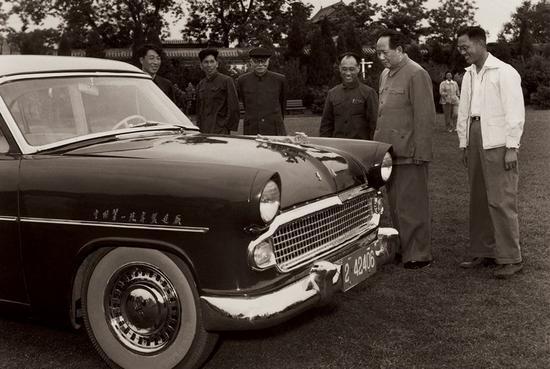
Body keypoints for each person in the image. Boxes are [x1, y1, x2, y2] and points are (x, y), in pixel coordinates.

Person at [456, 26, 524, 278]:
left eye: (466, 47)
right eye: (460, 48)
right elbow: (463, 112)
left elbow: (515, 112)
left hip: (497, 140)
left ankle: (511, 257)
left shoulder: (504, 72)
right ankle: (484, 251)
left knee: (501, 198)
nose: (463, 52)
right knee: (479, 198)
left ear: (481, 43)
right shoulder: (468, 75)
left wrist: (511, 147)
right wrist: (464, 143)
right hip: (475, 136)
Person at [374, 30, 435, 269]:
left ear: (399, 50)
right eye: (378, 52)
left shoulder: (417, 74)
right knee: (397, 205)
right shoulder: (384, 74)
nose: (381, 57)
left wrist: (422, 153)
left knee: (413, 205)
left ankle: (419, 254)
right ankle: (402, 248)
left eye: (384, 52)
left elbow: (425, 117)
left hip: (411, 153)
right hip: (389, 152)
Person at [320, 52, 378, 140]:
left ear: (358, 68)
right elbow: (326, 125)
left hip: (361, 147)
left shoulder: (369, 93)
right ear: (339, 68)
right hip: (338, 146)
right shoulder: (332, 93)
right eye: (344, 69)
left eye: (351, 69)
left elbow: (375, 125)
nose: (348, 73)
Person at [236, 47, 287, 135]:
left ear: (268, 61)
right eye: (256, 61)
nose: (260, 64)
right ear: (251, 62)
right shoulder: (242, 80)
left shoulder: (280, 79)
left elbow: (282, 103)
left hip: (274, 128)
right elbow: (245, 103)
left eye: (263, 61)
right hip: (252, 128)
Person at [195, 48, 240, 134]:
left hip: (220, 130)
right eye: (206, 62)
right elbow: (199, 110)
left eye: (212, 62)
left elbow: (234, 107)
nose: (209, 65)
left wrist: (225, 127)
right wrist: (198, 127)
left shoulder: (226, 81)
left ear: (217, 64)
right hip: (203, 130)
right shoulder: (201, 84)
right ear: (201, 65)